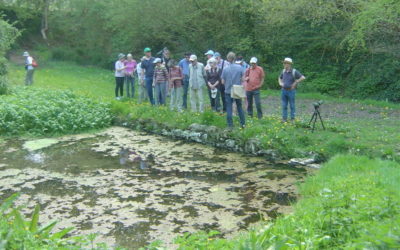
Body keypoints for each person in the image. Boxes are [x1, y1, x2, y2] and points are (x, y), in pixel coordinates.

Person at [221, 52, 246, 128]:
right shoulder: (240, 68)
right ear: (234, 58)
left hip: (228, 90)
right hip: (237, 90)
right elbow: (243, 79)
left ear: (228, 59)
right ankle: (242, 124)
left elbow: (222, 81)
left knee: (229, 108)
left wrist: (227, 84)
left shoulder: (225, 69)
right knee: (239, 107)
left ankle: (230, 125)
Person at [278, 57, 306, 122]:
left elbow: (303, 77)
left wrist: (296, 82)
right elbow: (279, 78)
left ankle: (292, 119)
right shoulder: (283, 71)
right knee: (284, 105)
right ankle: (284, 119)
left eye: (285, 63)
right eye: (284, 63)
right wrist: (280, 83)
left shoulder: (294, 71)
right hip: (283, 91)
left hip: (291, 91)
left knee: (292, 105)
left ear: (289, 64)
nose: (284, 64)